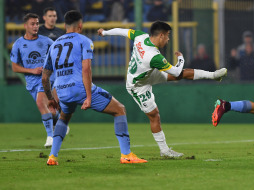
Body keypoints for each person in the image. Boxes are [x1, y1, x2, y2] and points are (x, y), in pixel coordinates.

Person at [97, 21, 227, 157]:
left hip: (147, 74)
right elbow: (176, 71)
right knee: (154, 115)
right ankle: (164, 151)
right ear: (161, 36)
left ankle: (213, 75)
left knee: (180, 75)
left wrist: (105, 32)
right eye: (168, 36)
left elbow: (123, 31)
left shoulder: (140, 36)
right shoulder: (154, 56)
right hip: (137, 85)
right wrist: (181, 59)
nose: (168, 39)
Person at [43, 10, 147, 165]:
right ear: (80, 25)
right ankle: (126, 155)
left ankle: (53, 156)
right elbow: (86, 70)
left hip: (61, 90)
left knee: (64, 117)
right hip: (80, 88)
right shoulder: (84, 41)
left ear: (65, 25)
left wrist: (51, 99)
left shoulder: (54, 45)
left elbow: (45, 77)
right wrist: (89, 97)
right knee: (119, 109)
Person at [10, 13, 60, 147]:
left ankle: (50, 136)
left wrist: (50, 67)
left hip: (46, 79)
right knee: (50, 109)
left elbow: (58, 54)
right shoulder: (18, 44)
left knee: (40, 103)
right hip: (31, 82)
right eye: (33, 24)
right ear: (25, 26)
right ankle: (60, 119)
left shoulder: (46, 41)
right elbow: (15, 67)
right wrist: (32, 70)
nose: (36, 26)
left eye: (37, 23)